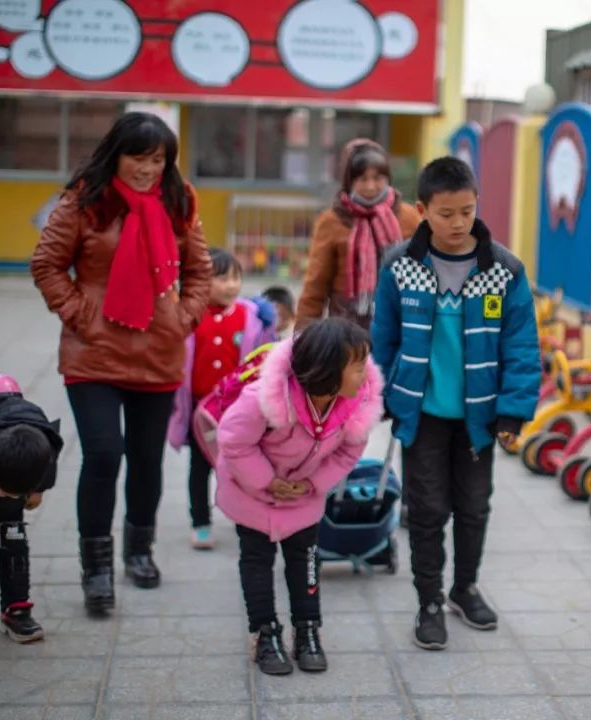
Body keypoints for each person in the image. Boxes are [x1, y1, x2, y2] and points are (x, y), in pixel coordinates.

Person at [31, 112, 212, 615]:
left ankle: (139, 551)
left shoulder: (179, 202)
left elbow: (200, 271)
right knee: (104, 454)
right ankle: (97, 568)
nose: (148, 169)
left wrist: (184, 316)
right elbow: (46, 264)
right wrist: (78, 313)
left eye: (158, 160)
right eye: (139, 157)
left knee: (146, 460)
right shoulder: (87, 200)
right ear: (117, 154)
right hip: (95, 351)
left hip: (158, 350)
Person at [371, 156, 541, 651]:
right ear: (421, 209)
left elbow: (521, 346)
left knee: (473, 507)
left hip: (479, 416)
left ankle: (464, 588)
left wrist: (512, 410)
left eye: (466, 211)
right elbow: (383, 337)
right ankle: (428, 601)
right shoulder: (400, 266)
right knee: (425, 510)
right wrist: (380, 396)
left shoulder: (504, 270)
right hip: (421, 415)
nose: (457, 223)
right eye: (445, 214)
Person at [215, 319, 382, 675]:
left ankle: (307, 630)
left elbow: (348, 453)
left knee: (306, 559)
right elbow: (232, 439)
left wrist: (313, 484)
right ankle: (264, 633)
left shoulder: (354, 405)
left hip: (303, 494)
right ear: (327, 371)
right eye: (356, 366)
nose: (364, 373)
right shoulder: (266, 397)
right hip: (251, 492)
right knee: (257, 560)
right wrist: (266, 481)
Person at [167, 247, 274, 550]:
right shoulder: (190, 316)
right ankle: (200, 522)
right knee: (199, 468)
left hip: (239, 410)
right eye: (221, 278)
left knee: (241, 466)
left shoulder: (252, 317)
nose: (230, 285)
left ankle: (247, 518)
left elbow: (265, 357)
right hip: (200, 411)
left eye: (235, 278)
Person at [0, 375, 63, 656]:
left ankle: (16, 609)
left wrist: (36, 489)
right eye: (6, 491)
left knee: (13, 546)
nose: (9, 496)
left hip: (10, 478)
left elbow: (47, 465)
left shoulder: (39, 443)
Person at [297, 139, 421, 330]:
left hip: (399, 325)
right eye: (362, 179)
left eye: (378, 178)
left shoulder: (409, 217)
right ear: (349, 181)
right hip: (347, 328)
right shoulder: (332, 221)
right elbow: (315, 286)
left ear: (388, 178)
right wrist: (302, 337)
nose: (371, 186)